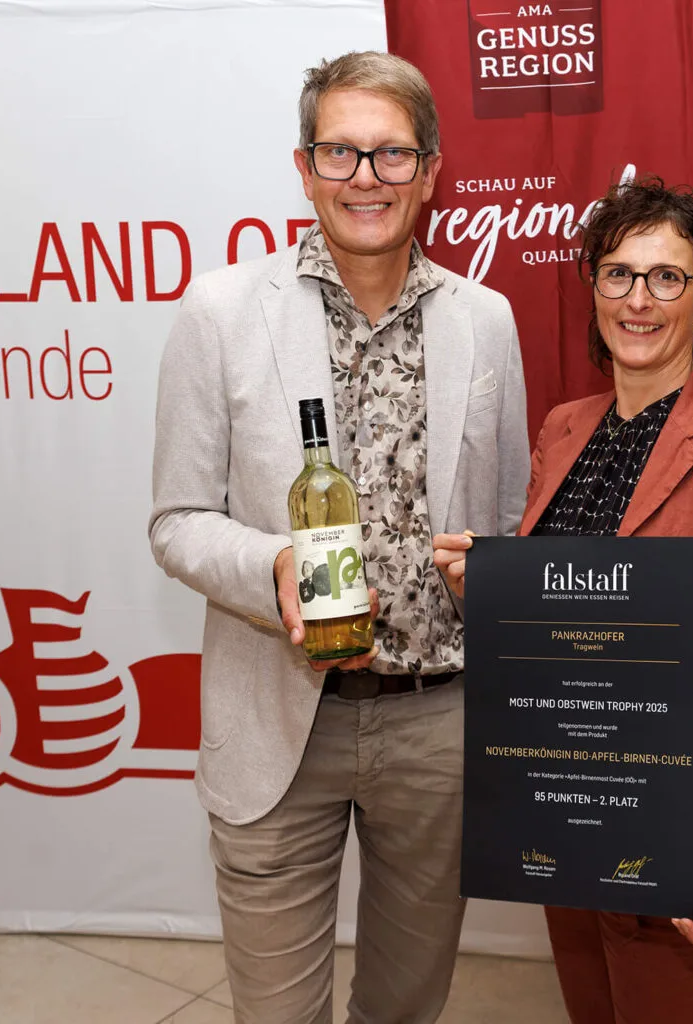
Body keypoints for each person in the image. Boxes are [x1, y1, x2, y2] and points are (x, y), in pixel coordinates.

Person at [149, 51, 529, 1024]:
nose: (367, 177)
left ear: (431, 171)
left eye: (392, 153)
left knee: (405, 1008)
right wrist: (273, 564)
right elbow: (177, 522)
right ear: (305, 167)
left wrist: (494, 570)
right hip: (279, 715)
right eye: (341, 152)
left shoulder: (487, 322)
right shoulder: (221, 313)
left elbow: (509, 518)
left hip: (436, 723)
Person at [433, 177, 693, 1024]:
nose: (639, 300)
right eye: (618, 274)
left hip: (678, 827)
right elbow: (553, 636)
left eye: (667, 277)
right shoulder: (563, 428)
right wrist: (486, 592)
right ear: (594, 288)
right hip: (561, 811)